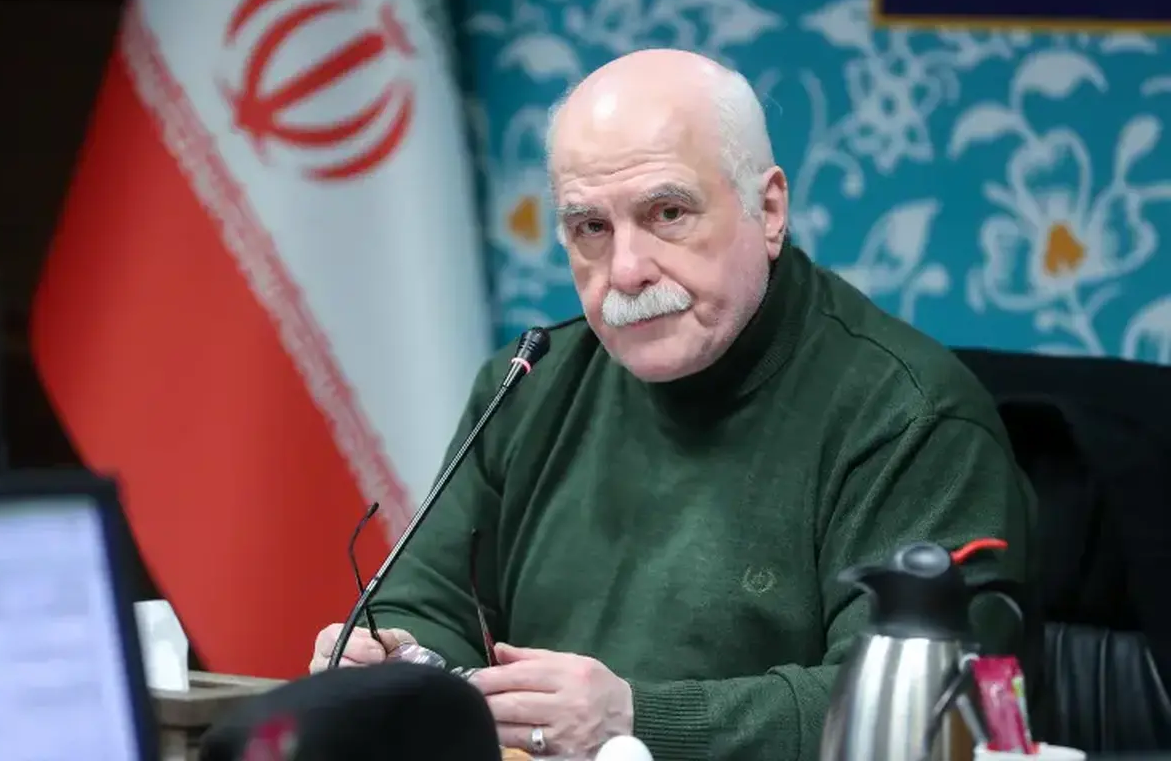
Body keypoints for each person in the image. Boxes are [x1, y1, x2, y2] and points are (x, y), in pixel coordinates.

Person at [309, 49, 1038, 761]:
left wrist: (634, 721)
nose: (626, 271)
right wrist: (398, 658)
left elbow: (921, 714)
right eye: (591, 228)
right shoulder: (528, 383)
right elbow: (424, 604)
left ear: (769, 209)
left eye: (667, 213)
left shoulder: (911, 416)